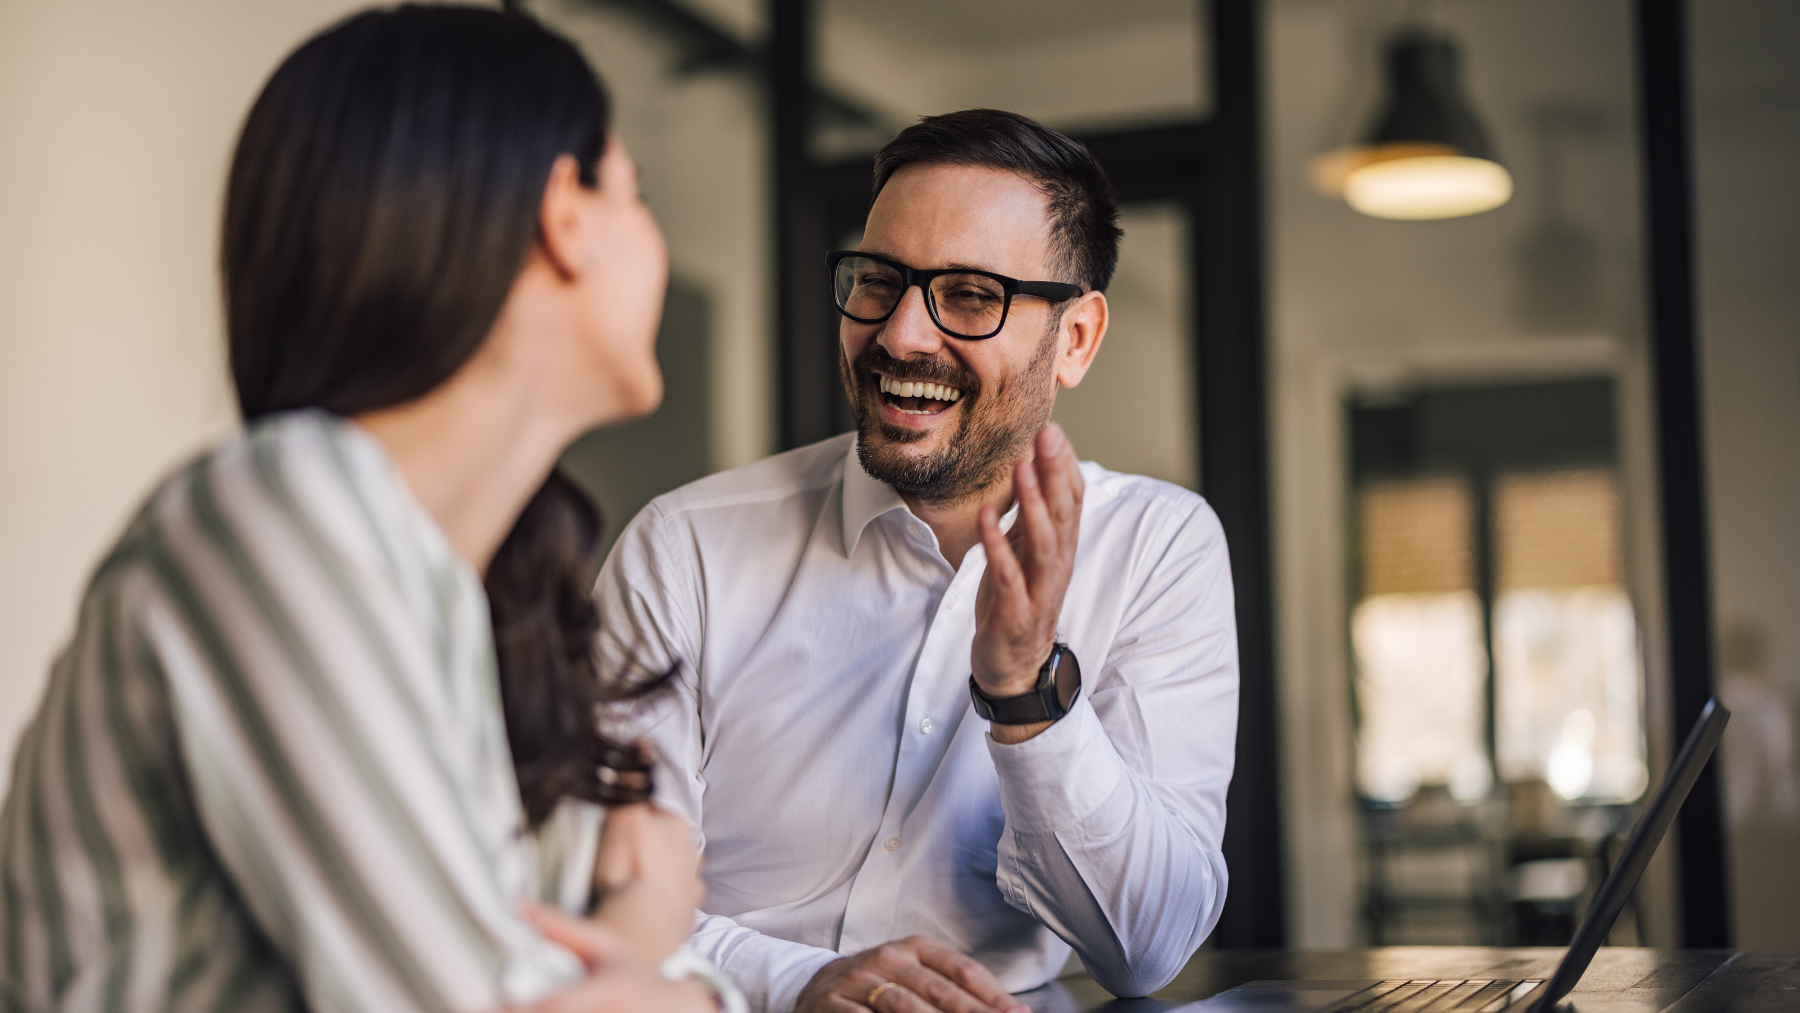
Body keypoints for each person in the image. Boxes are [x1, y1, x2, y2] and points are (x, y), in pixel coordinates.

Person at [0, 7, 735, 1012]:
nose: (652, 236)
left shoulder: (478, 615)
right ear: (565, 212)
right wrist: (650, 930)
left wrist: (644, 966)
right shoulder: (277, 512)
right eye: (636, 192)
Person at [597, 109, 1238, 1013]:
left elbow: (1150, 947)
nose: (900, 335)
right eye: (878, 280)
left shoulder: (1159, 548)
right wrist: (796, 983)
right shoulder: (683, 549)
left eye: (970, 294)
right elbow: (597, 896)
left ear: (1078, 339)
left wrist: (1027, 696)